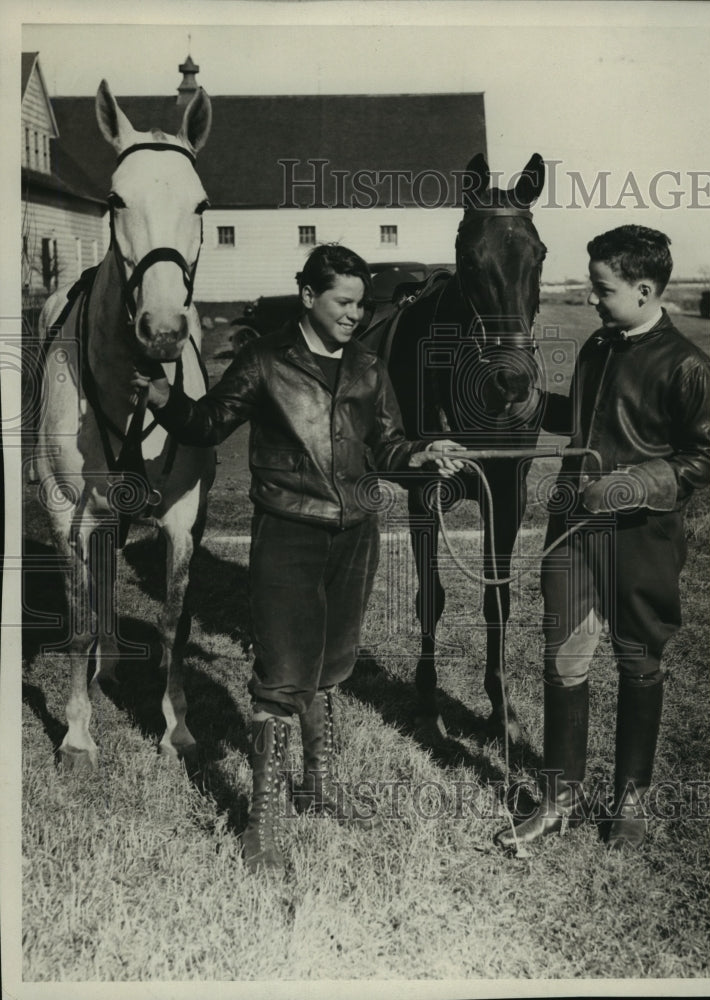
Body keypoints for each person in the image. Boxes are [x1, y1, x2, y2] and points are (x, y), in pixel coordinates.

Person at [133, 243, 465, 872]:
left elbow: (387, 445)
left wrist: (420, 454)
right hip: (288, 536)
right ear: (309, 297)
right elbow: (207, 424)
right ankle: (263, 822)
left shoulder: (369, 366)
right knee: (283, 674)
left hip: (356, 535)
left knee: (332, 665)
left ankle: (318, 783)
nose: (354, 314)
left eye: (361, 304)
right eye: (343, 301)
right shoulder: (264, 361)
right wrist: (161, 399)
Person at [495, 225, 710, 853]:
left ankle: (630, 800)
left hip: (642, 542)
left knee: (638, 663)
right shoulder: (599, 345)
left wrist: (628, 486)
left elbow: (703, 459)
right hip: (573, 535)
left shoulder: (687, 366)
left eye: (602, 289)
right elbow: (586, 417)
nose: (592, 299)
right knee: (564, 660)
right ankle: (560, 798)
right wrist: (532, 405)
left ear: (644, 290)